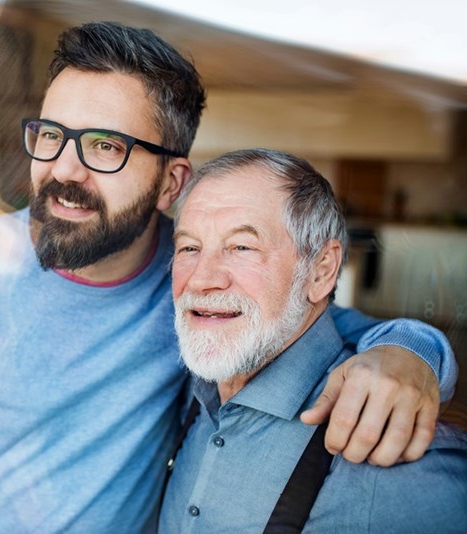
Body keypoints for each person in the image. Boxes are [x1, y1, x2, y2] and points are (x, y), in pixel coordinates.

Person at [0, 22, 458, 533]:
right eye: (52, 135)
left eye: (105, 145)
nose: (63, 168)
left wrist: (413, 353)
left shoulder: (190, 285)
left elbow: (330, 326)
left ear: (170, 183)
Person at [160, 148, 467, 533]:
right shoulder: (192, 386)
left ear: (321, 272)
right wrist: (414, 343)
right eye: (189, 247)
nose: (202, 279)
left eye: (242, 247)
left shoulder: (399, 464)